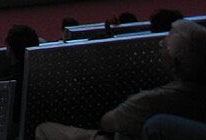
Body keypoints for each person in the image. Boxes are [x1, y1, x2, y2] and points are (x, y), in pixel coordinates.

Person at [35, 19, 206, 139]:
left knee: (44, 130)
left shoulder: (152, 101)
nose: (160, 49)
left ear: (174, 62)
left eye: (163, 46)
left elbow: (107, 122)